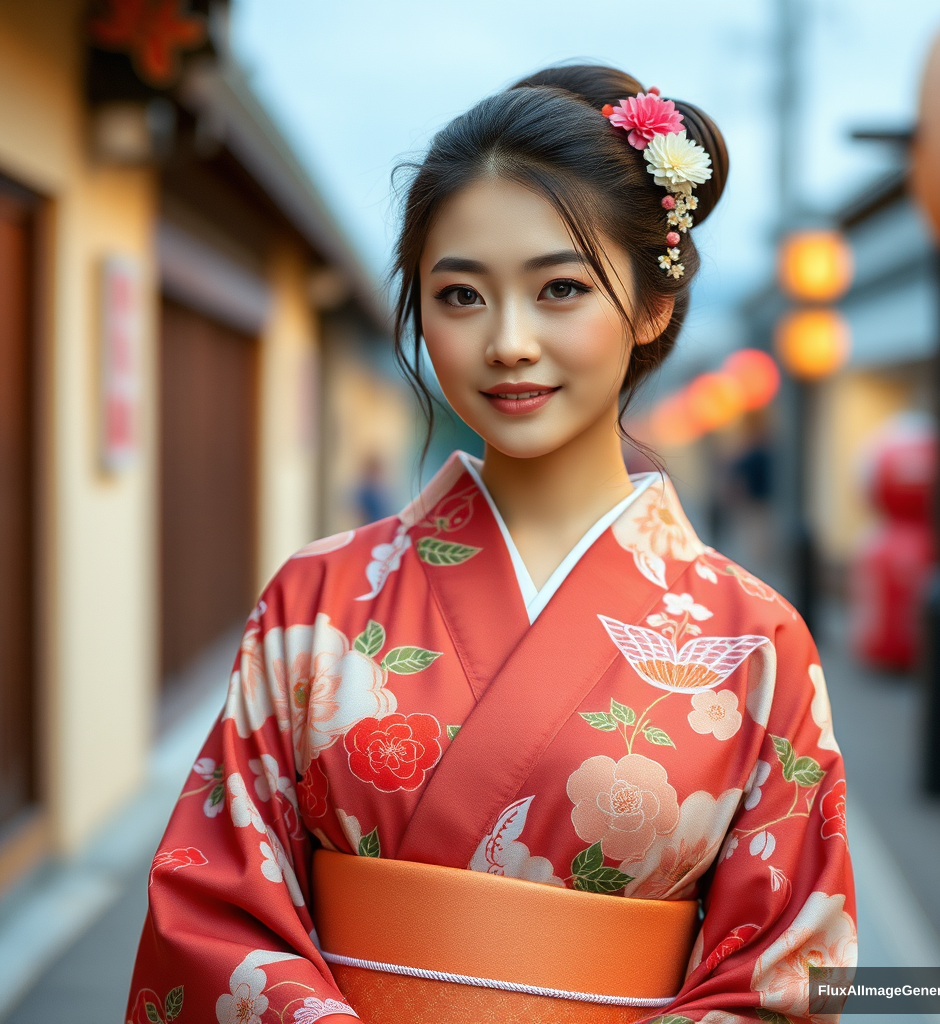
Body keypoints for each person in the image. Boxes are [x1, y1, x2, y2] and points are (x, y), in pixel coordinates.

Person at [128, 65, 855, 1024]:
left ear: (652, 306)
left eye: (559, 289)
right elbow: (210, 907)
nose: (507, 341)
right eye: (460, 296)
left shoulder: (759, 641)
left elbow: (795, 970)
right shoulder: (314, 600)